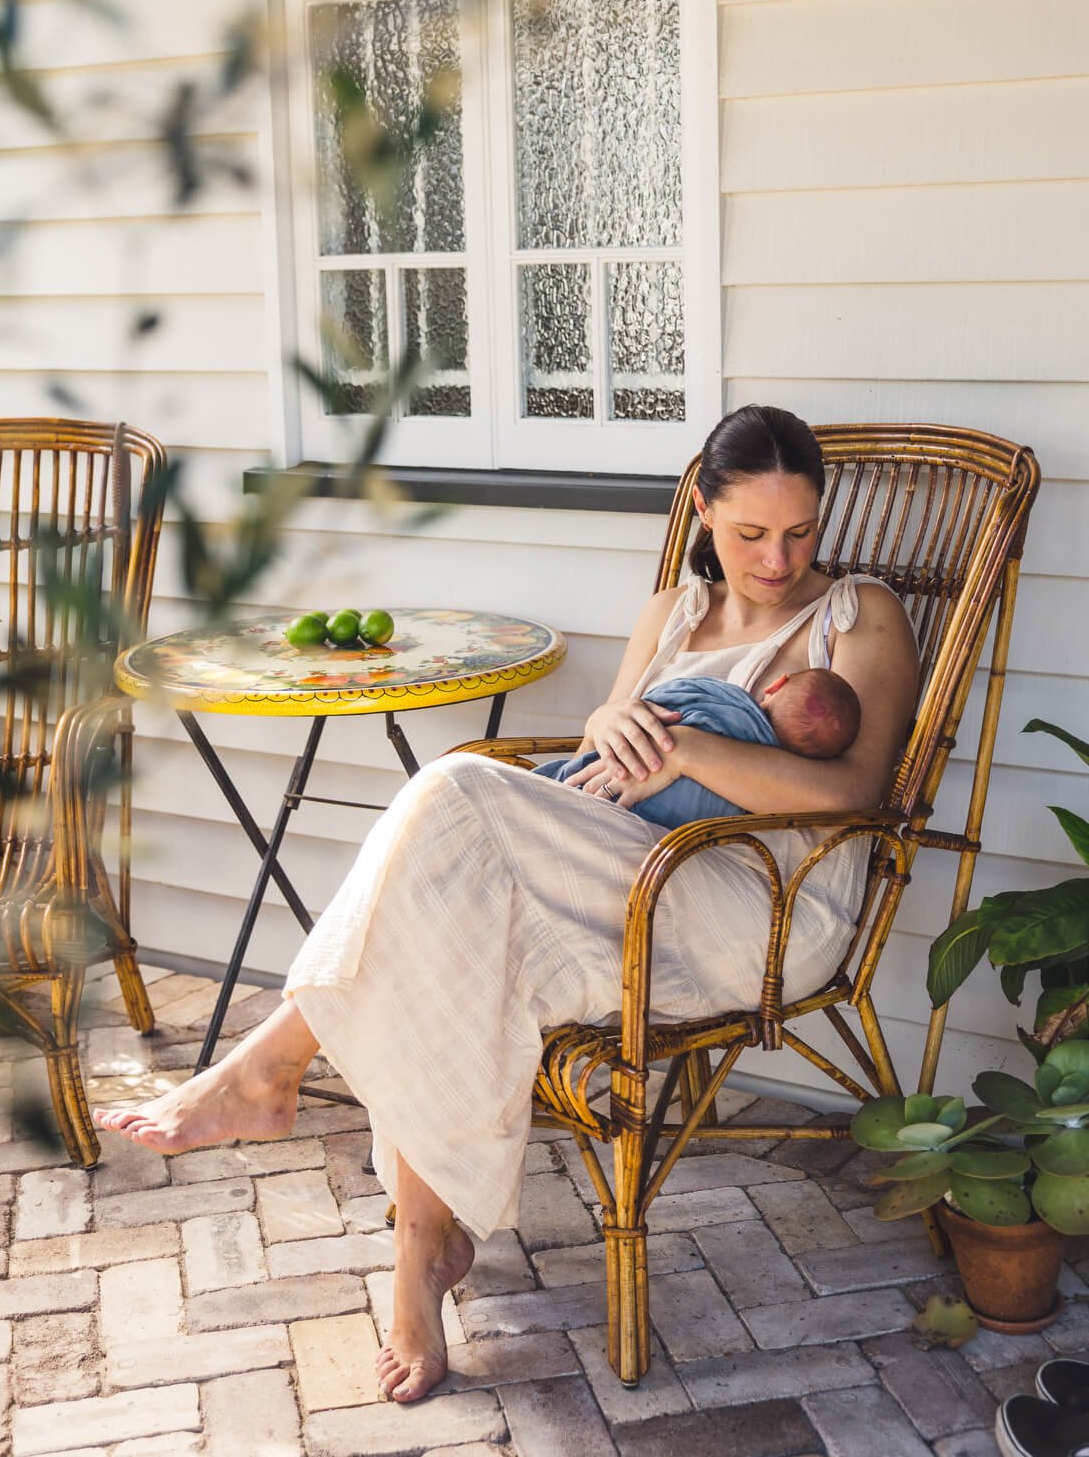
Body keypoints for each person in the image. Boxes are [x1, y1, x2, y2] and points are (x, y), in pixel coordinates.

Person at [95, 404, 920, 1407]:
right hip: (622, 873)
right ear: (702, 510)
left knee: (453, 790)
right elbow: (608, 750)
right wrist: (611, 722)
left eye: (799, 532)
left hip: (756, 899)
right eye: (751, 534)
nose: (778, 558)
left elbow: (857, 795)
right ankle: (421, 1258)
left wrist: (693, 749)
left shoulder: (857, 617)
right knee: (459, 920)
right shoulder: (673, 616)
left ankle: (272, 1069)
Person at [535, 665, 862, 829]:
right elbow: (607, 727)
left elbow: (669, 697)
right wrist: (602, 720)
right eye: (751, 533)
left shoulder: (722, 699)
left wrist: (683, 746)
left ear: (776, 685)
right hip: (633, 825)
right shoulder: (671, 607)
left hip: (609, 820)